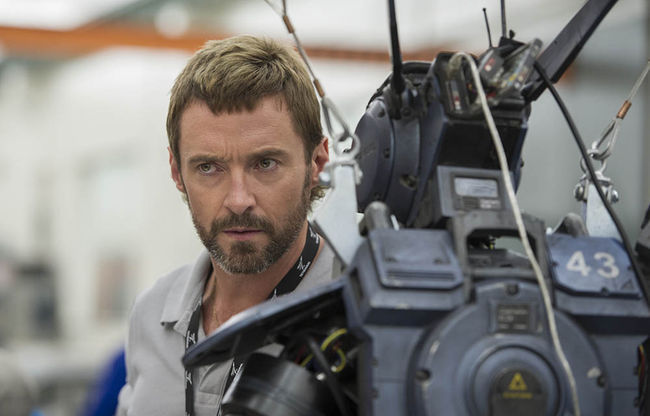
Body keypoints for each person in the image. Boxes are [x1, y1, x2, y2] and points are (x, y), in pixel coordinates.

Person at [116, 35, 334, 416]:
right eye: (208, 167)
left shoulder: (365, 310)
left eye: (265, 163)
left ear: (316, 163)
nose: (238, 199)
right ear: (176, 172)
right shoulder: (153, 313)